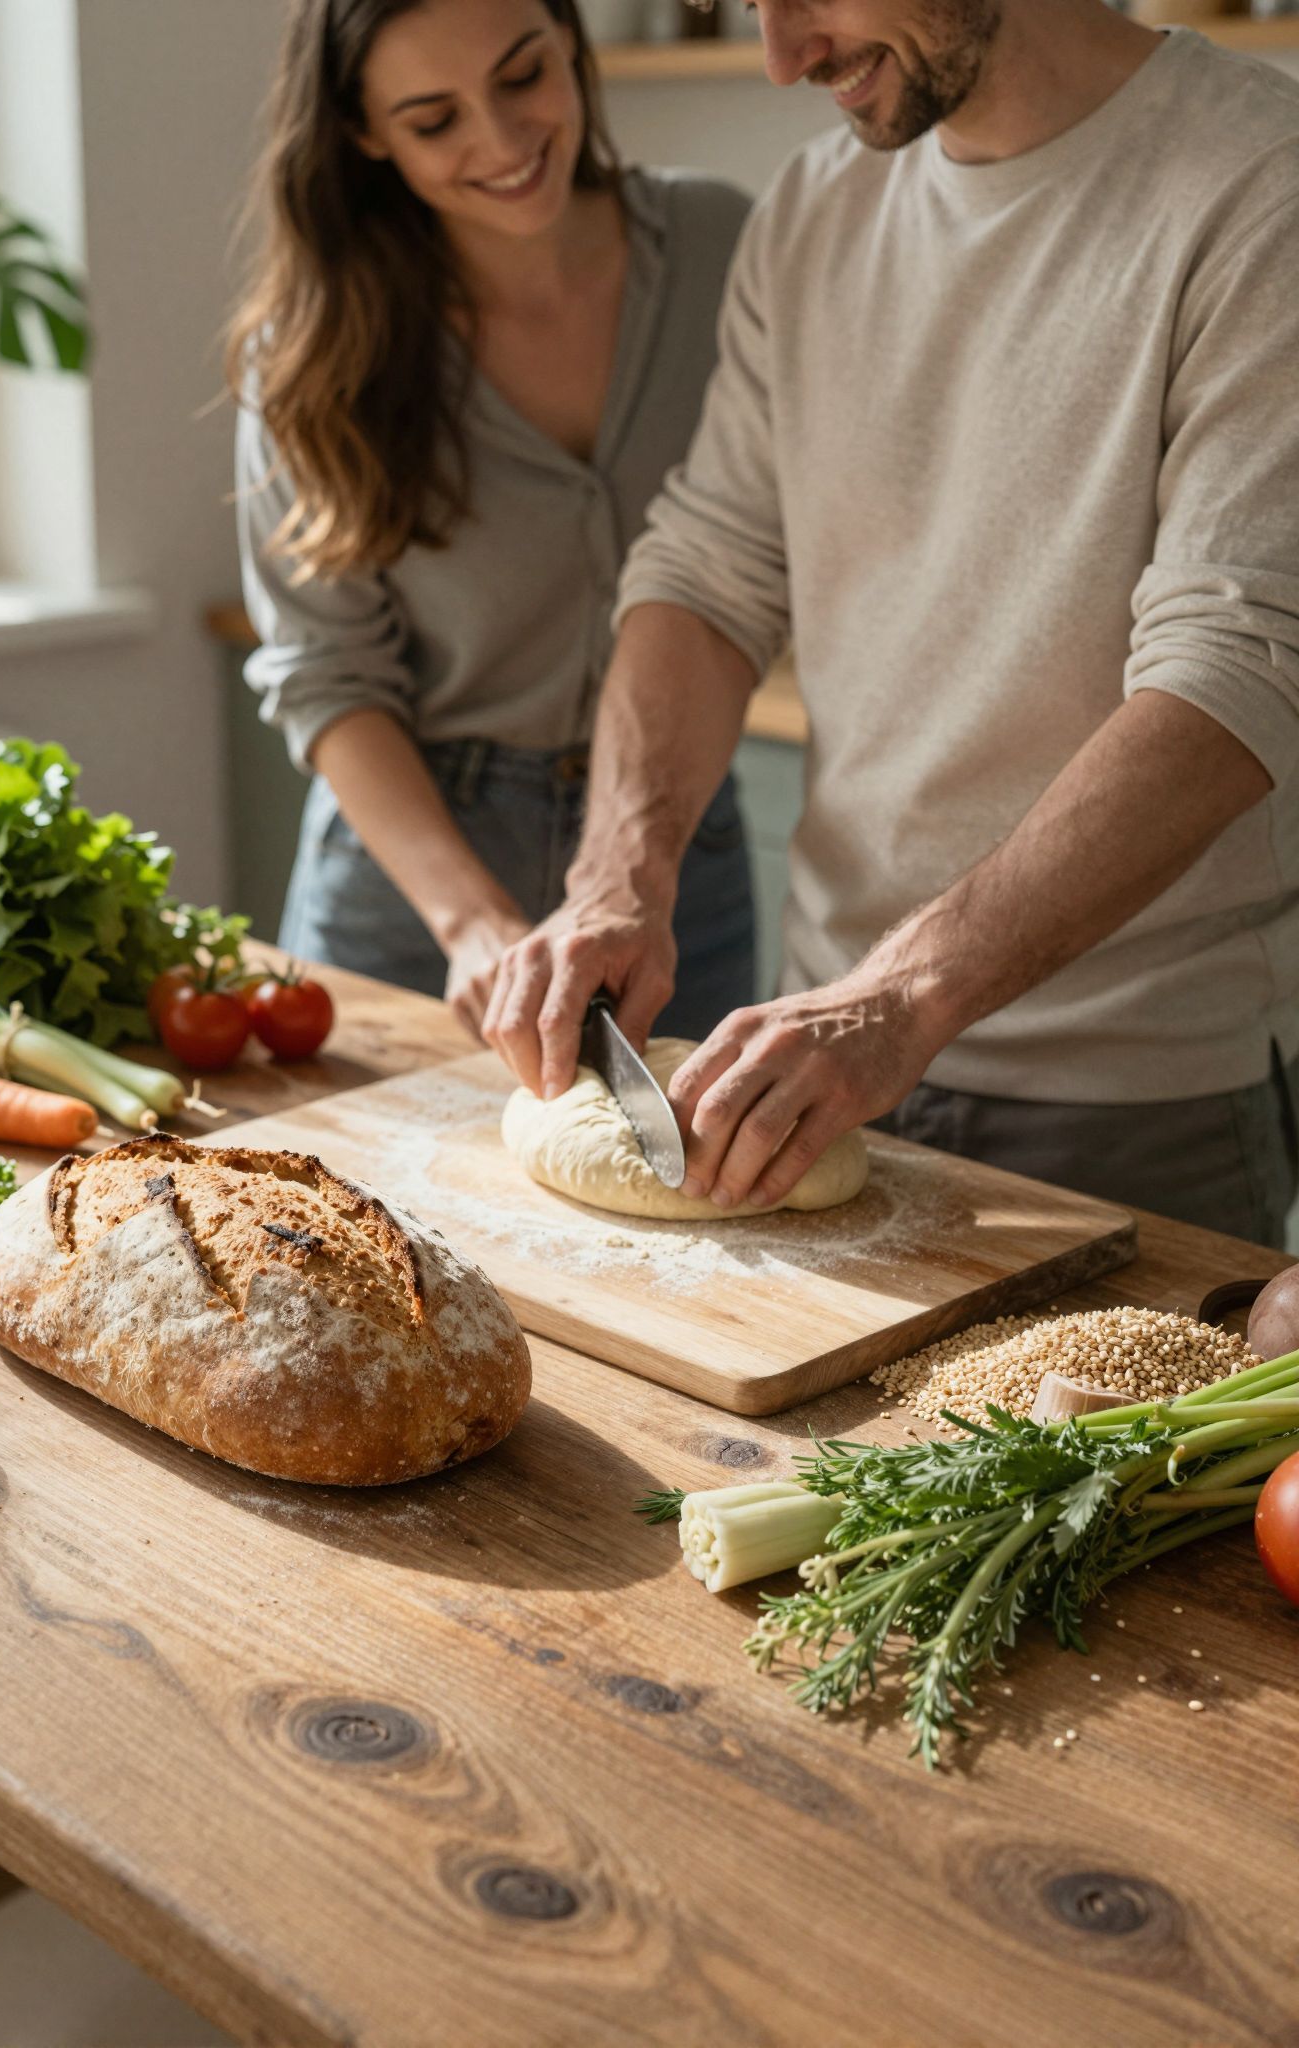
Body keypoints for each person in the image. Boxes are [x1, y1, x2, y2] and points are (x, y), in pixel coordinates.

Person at [483, 0, 1299, 1247]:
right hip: (826, 1069)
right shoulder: (814, 210)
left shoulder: (1260, 181)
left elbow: (1234, 669)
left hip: (1133, 1098)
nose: (782, 54)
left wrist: (901, 997)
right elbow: (711, 568)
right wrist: (617, 878)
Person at [231, 0, 756, 1038]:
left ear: (569, 39)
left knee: (688, 1192)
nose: (504, 141)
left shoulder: (720, 245)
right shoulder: (316, 353)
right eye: (435, 121)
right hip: (411, 875)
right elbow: (329, 677)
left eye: (523, 76)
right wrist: (470, 922)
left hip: (676, 842)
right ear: (364, 133)